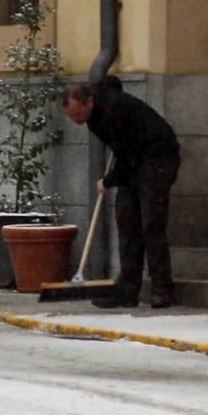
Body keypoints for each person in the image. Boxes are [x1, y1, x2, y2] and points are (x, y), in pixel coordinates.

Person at [62, 78, 181, 309]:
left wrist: (109, 180)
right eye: (71, 117)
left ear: (89, 101)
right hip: (134, 160)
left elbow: (129, 154)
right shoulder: (98, 93)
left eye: (78, 115)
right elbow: (112, 81)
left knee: (151, 225)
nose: (77, 122)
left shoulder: (111, 116)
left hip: (157, 157)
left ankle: (162, 290)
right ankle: (127, 290)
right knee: (127, 223)